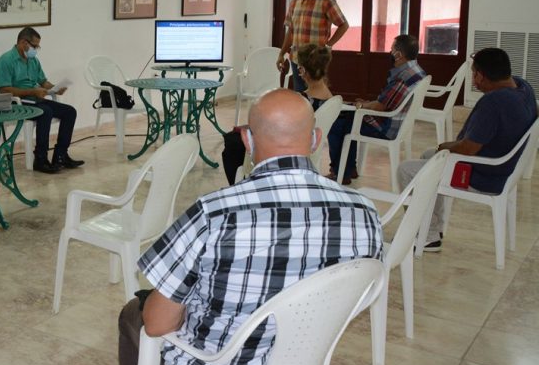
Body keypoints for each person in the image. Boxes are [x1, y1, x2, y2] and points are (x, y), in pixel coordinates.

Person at [119, 89, 382, 365]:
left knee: (136, 315)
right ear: (315, 139)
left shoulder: (215, 213)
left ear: (246, 139)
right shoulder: (364, 211)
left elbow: (159, 325)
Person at [397, 47, 537, 252]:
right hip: (506, 167)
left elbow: (467, 148)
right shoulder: (524, 87)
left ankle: (428, 236)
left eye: (473, 74)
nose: (473, 80)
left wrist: (442, 148)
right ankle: (434, 226)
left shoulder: (494, 102)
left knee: (407, 170)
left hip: (483, 174)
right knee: (427, 157)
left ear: (481, 75)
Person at [222, 43, 333, 184]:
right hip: (301, 142)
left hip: (284, 142)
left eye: (299, 68)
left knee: (232, 142)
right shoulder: (330, 98)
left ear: (303, 70)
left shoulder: (299, 101)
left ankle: (239, 184)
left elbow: (277, 125)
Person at [327, 34, 427, 184]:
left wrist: (361, 106)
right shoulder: (417, 70)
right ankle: (348, 169)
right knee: (348, 119)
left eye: (392, 49)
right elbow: (387, 101)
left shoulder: (404, 76)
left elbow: (381, 107)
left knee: (337, 123)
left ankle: (340, 173)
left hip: (387, 127)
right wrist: (368, 103)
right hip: (398, 121)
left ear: (398, 54)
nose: (390, 52)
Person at [0, 27, 83, 174]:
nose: (36, 49)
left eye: (37, 46)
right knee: (45, 112)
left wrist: (55, 88)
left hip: (35, 100)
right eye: (34, 46)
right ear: (23, 42)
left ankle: (61, 155)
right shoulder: (6, 60)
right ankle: (40, 159)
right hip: (17, 103)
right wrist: (32, 91)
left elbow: (43, 82)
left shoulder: (33, 60)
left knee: (70, 112)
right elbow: (4, 90)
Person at [276, 0, 349, 92]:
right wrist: (282, 53)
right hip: (296, 58)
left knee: (315, 94)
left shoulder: (326, 0)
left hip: (315, 59)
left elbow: (343, 25)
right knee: (300, 94)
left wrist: (328, 45)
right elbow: (291, 31)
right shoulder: (294, 3)